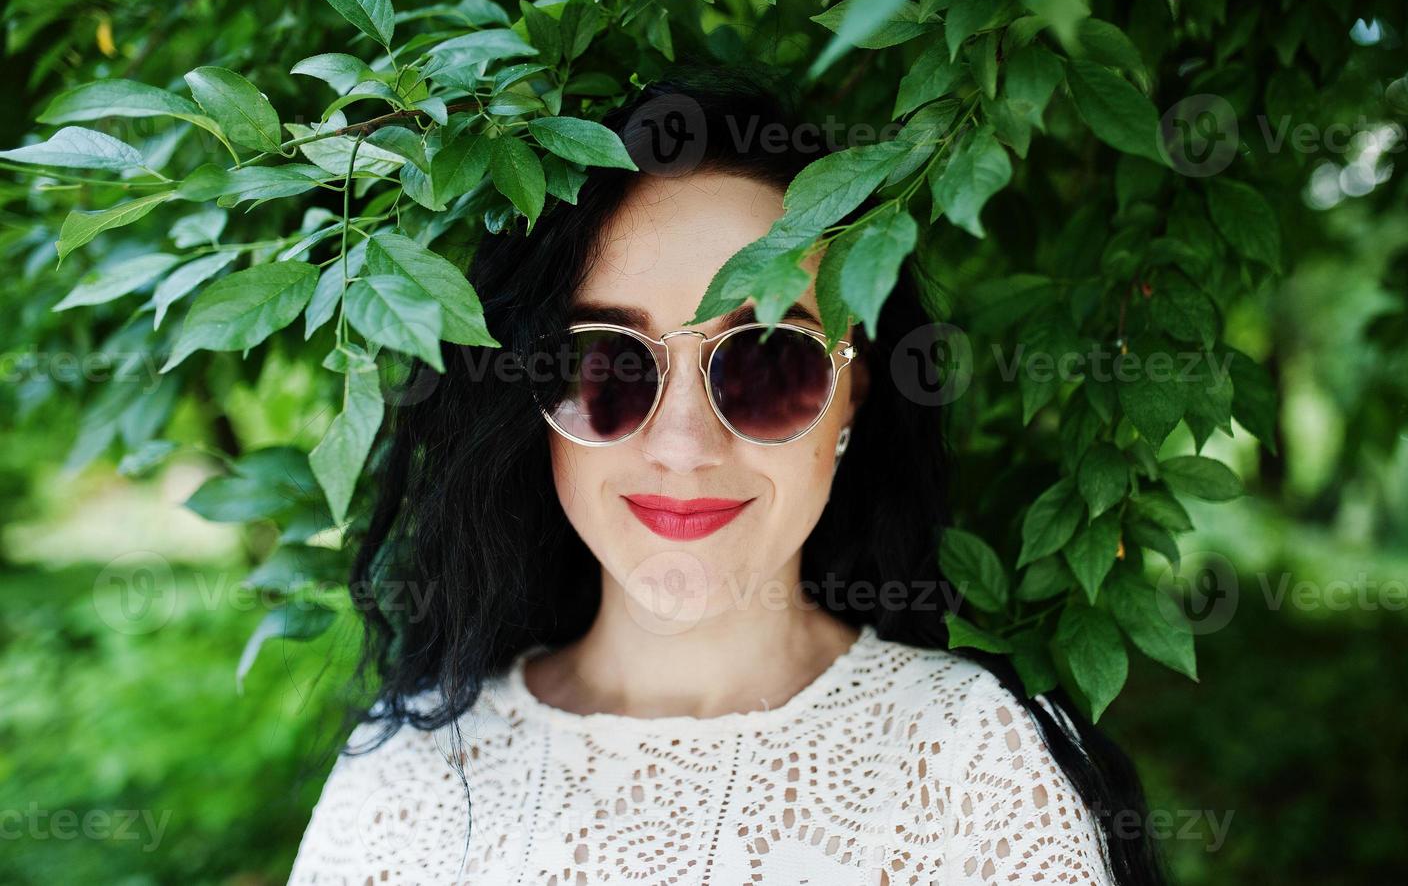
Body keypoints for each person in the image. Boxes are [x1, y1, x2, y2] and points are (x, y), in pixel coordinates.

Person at [285, 68, 1167, 885]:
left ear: (855, 391)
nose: (682, 445)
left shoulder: (975, 766)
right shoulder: (406, 777)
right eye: (606, 365)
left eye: (768, 361)